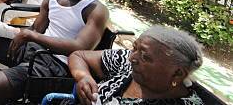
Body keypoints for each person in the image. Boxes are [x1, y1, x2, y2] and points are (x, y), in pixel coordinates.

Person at [0, 0, 109, 105]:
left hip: (57, 64)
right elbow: (35, 29)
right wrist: (0, 29)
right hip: (34, 50)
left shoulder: (95, 9)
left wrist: (32, 36)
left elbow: (80, 47)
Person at [69, 25, 204, 105]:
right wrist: (84, 77)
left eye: (145, 57)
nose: (131, 57)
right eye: (134, 48)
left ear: (178, 73)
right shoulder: (127, 64)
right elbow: (79, 56)